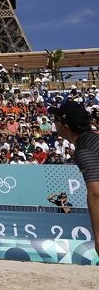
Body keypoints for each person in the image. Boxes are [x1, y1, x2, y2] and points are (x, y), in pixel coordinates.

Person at [49, 99, 99, 251]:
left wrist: (98, 237)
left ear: (65, 127)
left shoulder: (85, 151)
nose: (53, 123)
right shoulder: (93, 140)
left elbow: (96, 193)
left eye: (56, 120)